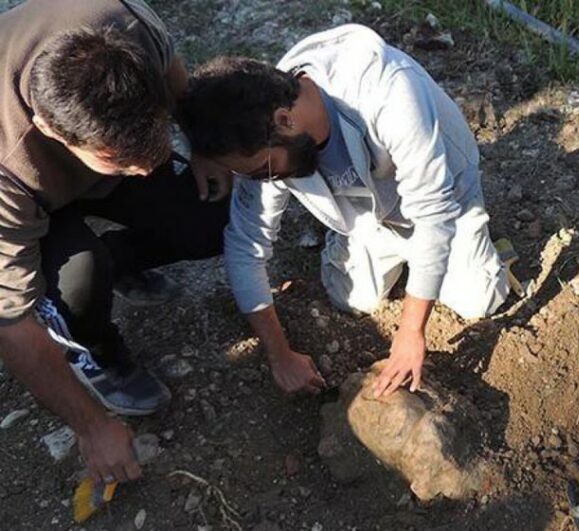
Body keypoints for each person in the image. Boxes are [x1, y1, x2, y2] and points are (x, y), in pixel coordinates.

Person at [177, 24, 510, 399]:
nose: (261, 181)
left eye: (261, 172)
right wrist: (280, 356)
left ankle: (483, 244)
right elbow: (245, 246)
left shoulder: (388, 93)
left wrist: (410, 333)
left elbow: (433, 214)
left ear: (285, 121)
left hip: (445, 196)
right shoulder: (255, 128)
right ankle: (364, 241)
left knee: (479, 300)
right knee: (350, 298)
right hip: (368, 211)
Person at [0, 0, 231, 486]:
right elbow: (11, 319)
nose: (147, 168)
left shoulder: (121, 21)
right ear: (49, 129)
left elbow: (172, 74)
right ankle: (99, 351)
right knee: (79, 275)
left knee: (207, 216)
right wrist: (90, 427)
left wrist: (201, 147)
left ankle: (119, 263)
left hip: (87, 156)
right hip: (24, 188)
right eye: (124, 161)